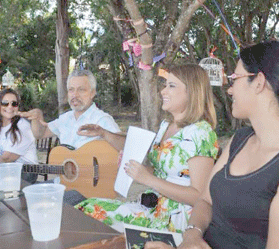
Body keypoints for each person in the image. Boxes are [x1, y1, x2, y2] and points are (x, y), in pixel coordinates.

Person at [124, 40, 279, 249]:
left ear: (258, 82)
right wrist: (191, 236)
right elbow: (205, 201)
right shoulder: (240, 140)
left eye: (235, 79)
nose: (229, 89)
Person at [76, 64, 219, 234]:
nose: (163, 91)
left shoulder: (201, 132)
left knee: (88, 213)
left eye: (171, 86)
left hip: (173, 218)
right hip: (150, 206)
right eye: (165, 85)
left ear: (192, 92)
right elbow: (161, 172)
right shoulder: (166, 126)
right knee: (83, 208)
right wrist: (136, 170)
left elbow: (200, 196)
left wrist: (147, 180)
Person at [19, 69, 125, 151]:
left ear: (92, 93)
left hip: (91, 179)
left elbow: (125, 145)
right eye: (71, 90)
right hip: (65, 179)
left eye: (81, 90)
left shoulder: (101, 119)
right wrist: (37, 117)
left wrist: (103, 133)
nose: (75, 95)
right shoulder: (65, 118)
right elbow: (40, 134)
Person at [0, 88, 38, 184]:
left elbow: (7, 158)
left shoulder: (23, 126)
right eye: (5, 103)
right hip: (0, 168)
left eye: (14, 103)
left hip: (24, 173)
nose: (10, 107)